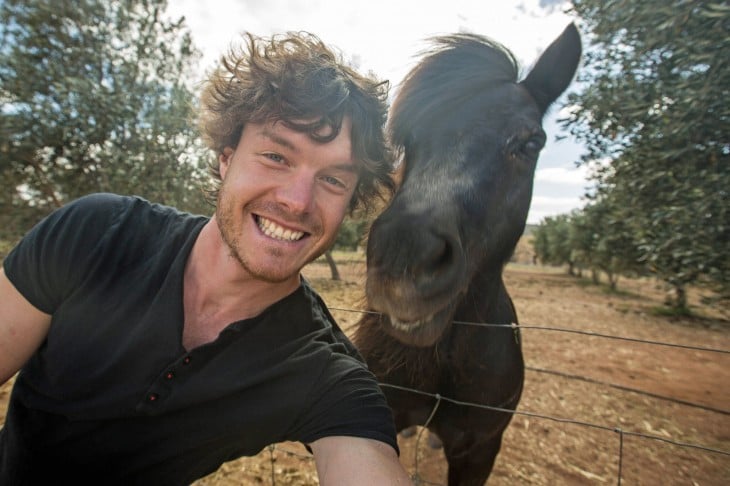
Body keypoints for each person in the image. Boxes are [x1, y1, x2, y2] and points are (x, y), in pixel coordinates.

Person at [0, 31, 411, 485]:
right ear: (225, 159)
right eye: (276, 156)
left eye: (333, 180)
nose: (298, 202)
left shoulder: (322, 370)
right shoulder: (97, 234)